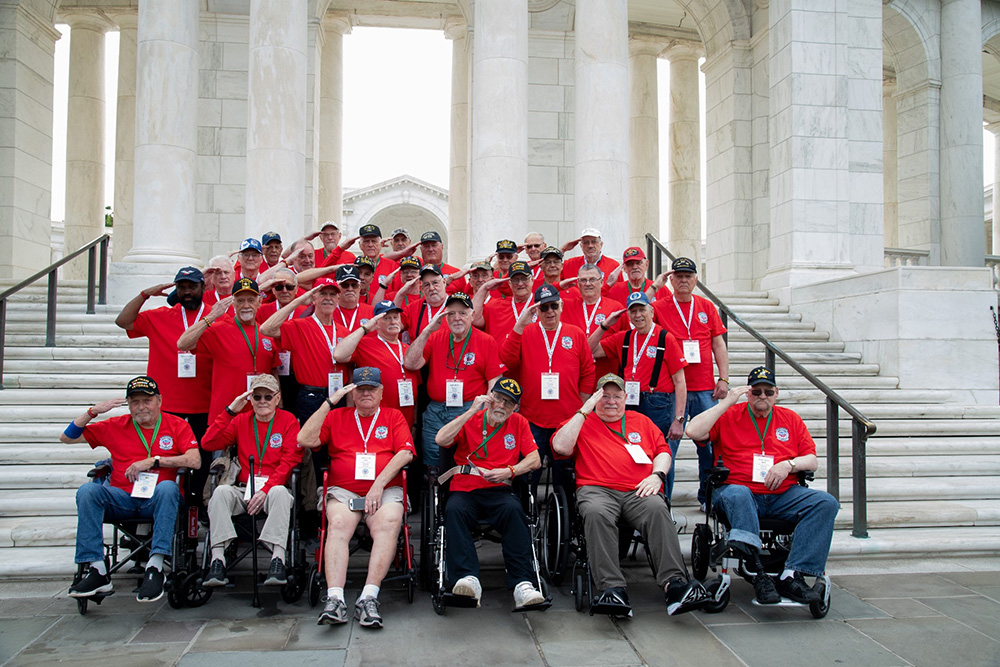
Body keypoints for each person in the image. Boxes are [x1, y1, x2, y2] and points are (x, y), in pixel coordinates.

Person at [551, 374, 709, 617]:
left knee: (657, 509)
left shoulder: (641, 421)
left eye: (616, 396)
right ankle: (612, 587)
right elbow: (560, 447)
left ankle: (674, 584)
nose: (611, 401)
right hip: (597, 488)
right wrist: (584, 410)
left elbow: (663, 452)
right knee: (595, 513)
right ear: (595, 398)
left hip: (639, 488)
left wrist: (657, 475)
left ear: (626, 398)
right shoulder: (583, 420)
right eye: (605, 396)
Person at [685, 367, 838, 605]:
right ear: (748, 393)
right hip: (739, 491)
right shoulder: (729, 415)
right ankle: (759, 572)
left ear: (776, 393)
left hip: (783, 494)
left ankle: (792, 574)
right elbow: (693, 430)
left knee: (827, 503)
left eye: (768, 391)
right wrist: (727, 402)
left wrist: (788, 464)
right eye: (756, 391)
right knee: (738, 492)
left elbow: (812, 460)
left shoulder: (791, 419)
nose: (762, 396)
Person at [61, 376, 201, 602]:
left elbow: (195, 461)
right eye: (134, 402)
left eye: (146, 400)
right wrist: (92, 412)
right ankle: (98, 569)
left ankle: (155, 566)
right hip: (122, 498)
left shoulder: (176, 425)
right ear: (128, 404)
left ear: (159, 401)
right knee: (87, 491)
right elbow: (67, 438)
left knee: (167, 487)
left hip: (159, 498)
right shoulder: (116, 425)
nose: (141, 407)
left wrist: (154, 461)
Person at [299, 368, 415, 629]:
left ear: (381, 393)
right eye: (360, 389)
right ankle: (335, 599)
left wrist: (377, 485)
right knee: (338, 526)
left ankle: (369, 597)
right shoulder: (336, 416)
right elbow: (304, 438)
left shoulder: (393, 416)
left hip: (384, 490)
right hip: (344, 490)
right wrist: (330, 402)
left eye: (371, 389)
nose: (365, 394)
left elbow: (405, 454)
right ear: (351, 393)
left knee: (388, 524)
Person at [434, 378, 545, 609]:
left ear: (515, 408)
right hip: (465, 488)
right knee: (454, 510)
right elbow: (441, 439)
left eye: (509, 403)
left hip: (499, 489)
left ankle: (523, 583)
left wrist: (510, 470)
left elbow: (534, 459)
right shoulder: (471, 417)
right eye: (498, 398)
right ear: (489, 396)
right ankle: (467, 578)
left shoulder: (519, 422)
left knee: (515, 511)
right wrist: (471, 410)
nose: (501, 406)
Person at [115, 267, 215, 510]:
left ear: (204, 288)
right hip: (167, 409)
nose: (187, 291)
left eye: (192, 286)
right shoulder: (160, 315)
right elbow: (123, 321)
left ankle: (197, 510)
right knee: (164, 462)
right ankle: (165, 508)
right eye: (182, 287)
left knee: (200, 463)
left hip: (204, 406)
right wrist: (144, 294)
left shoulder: (214, 316)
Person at [201, 375, 303, 587]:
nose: (262, 401)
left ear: (277, 398)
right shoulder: (240, 420)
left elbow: (290, 460)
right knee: (219, 493)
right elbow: (208, 443)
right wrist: (230, 411)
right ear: (250, 399)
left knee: (281, 494)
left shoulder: (288, 421)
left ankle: (278, 558)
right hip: (243, 488)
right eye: (257, 397)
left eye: (268, 396)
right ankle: (217, 559)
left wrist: (265, 490)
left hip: (272, 489)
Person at [589, 292, 688, 499]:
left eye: (642, 309)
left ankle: (663, 504)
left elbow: (680, 382)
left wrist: (679, 419)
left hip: (658, 403)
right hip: (630, 403)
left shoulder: (665, 338)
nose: (638, 315)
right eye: (633, 311)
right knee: (632, 455)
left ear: (651, 311)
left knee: (661, 454)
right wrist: (605, 326)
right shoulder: (625, 338)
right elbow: (590, 349)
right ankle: (637, 504)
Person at [650, 256, 731, 509]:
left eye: (688, 276)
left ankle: (708, 498)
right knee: (667, 449)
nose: (683, 280)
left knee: (708, 448)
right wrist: (653, 286)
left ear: (695, 280)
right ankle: (664, 501)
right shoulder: (660, 306)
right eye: (678, 276)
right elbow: (636, 312)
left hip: (705, 388)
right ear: (671, 280)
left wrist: (724, 378)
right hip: (672, 391)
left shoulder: (707, 307)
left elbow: (718, 344)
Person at [499, 285, 595, 491]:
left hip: (566, 420)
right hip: (532, 419)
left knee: (565, 475)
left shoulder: (575, 334)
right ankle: (526, 516)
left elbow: (588, 372)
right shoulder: (526, 332)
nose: (549, 311)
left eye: (553, 306)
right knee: (527, 476)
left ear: (561, 306)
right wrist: (519, 325)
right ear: (536, 311)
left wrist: (580, 406)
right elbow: (506, 359)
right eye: (543, 308)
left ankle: (562, 518)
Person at [404, 292, 506, 472]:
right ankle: (436, 494)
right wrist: (428, 330)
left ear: (472, 315)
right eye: (451, 313)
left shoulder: (486, 341)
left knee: (465, 460)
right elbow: (411, 363)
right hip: (436, 411)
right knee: (433, 463)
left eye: (462, 313)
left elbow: (494, 381)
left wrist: (481, 414)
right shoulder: (436, 337)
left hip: (468, 410)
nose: (457, 318)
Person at [177, 277, 280, 421]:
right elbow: (183, 344)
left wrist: (279, 406)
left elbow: (273, 372)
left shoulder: (266, 333)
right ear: (233, 303)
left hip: (259, 414)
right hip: (225, 414)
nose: (246, 305)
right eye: (240, 300)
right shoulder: (218, 330)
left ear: (259, 302)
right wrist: (211, 316)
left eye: (250, 300)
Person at [334, 300, 422, 428]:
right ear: (377, 323)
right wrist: (365, 328)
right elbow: (339, 355)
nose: (393, 321)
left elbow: (416, 391)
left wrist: (414, 423)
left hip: (405, 421)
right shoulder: (365, 344)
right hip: (376, 420)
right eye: (386, 318)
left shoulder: (408, 350)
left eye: (395, 317)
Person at [560, 263, 627, 380]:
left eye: (592, 279)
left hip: (607, 380)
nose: (588, 284)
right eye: (583, 280)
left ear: (601, 282)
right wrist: (559, 286)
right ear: (578, 284)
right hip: (575, 378)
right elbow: (541, 298)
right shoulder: (565, 306)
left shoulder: (615, 308)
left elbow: (626, 343)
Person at [473, 260, 534, 345]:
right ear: (509, 283)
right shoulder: (495, 306)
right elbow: (474, 319)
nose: (520, 284)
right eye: (515, 280)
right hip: (500, 357)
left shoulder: (543, 306)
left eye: (524, 279)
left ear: (532, 280)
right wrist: (484, 288)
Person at [398, 264, 449, 345]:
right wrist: (400, 295)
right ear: (422, 288)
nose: (431, 288)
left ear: (444, 282)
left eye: (435, 283)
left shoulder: (456, 305)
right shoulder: (413, 308)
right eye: (426, 285)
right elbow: (393, 326)